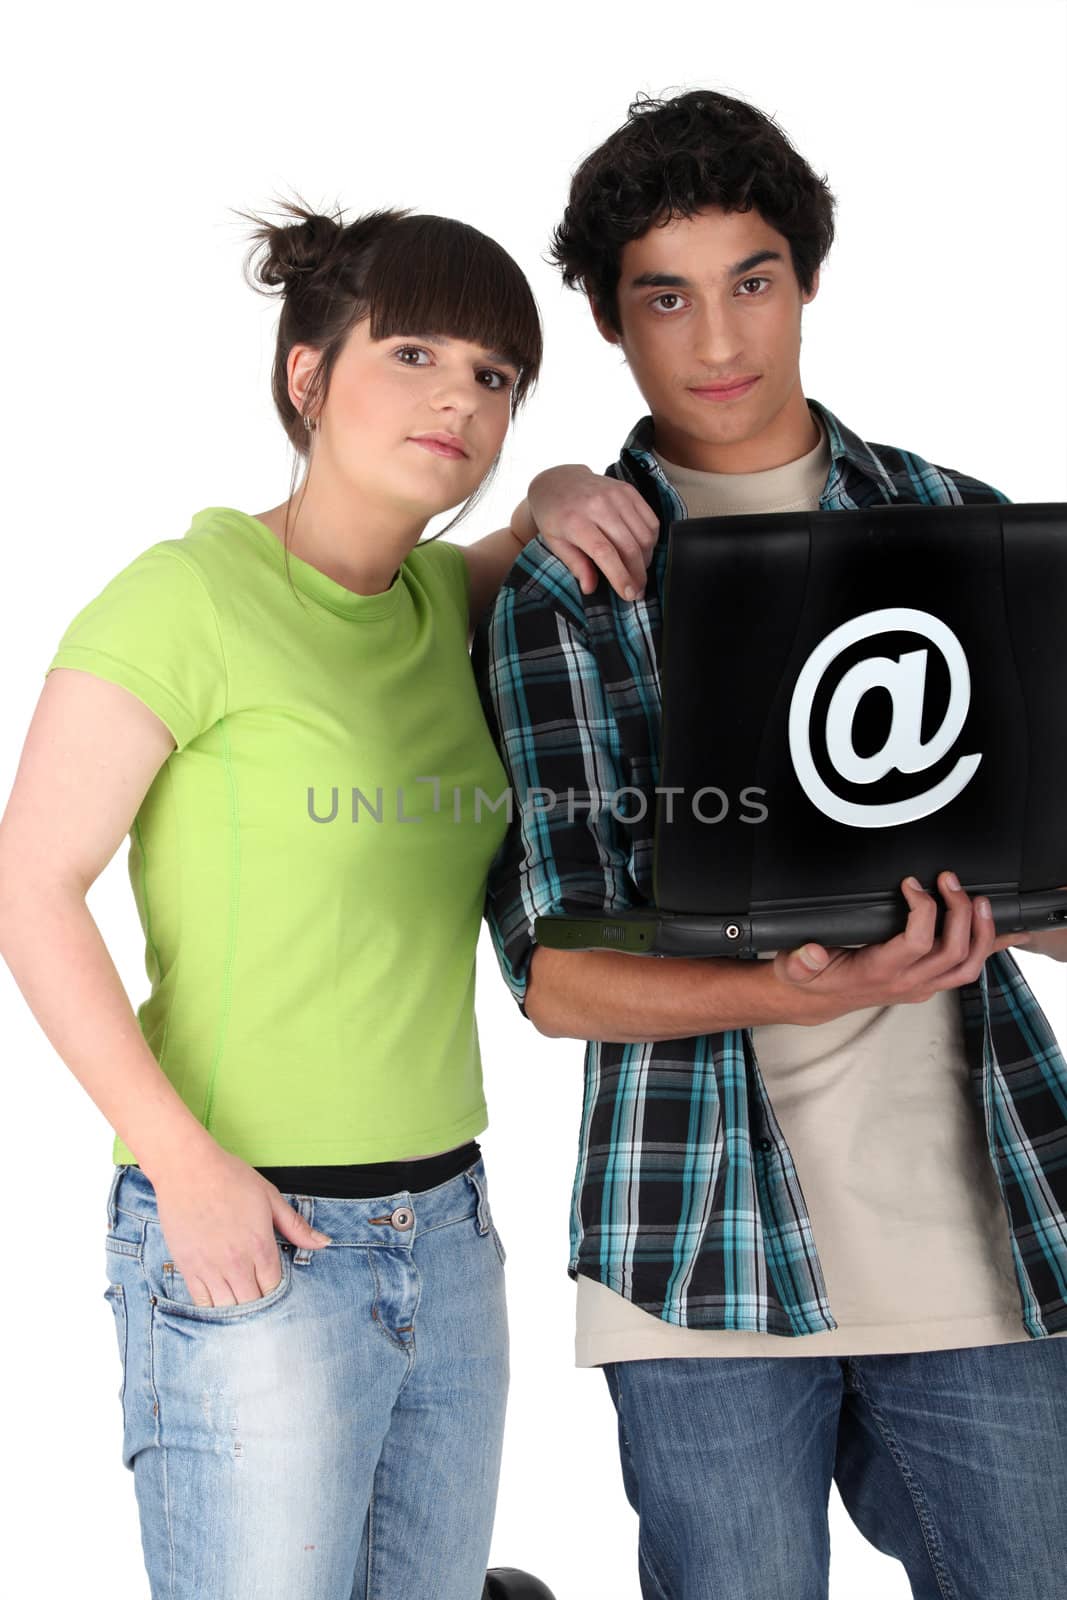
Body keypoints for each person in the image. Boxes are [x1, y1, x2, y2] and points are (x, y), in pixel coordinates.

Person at [0, 201, 655, 1600]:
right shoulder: (183, 601)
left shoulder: (431, 602)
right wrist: (179, 1163)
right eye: (413, 353)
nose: (458, 402)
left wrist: (552, 488)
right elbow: (31, 886)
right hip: (252, 1236)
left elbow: (513, 545)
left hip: (452, 1229)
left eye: (492, 377)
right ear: (308, 371)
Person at [473, 89, 1067, 1599]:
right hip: (695, 1255)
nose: (718, 339)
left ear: (804, 282)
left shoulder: (961, 530)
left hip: (983, 1238)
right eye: (665, 298)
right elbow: (560, 975)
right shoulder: (569, 592)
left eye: (751, 281)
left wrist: (1014, 908)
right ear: (613, 324)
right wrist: (804, 988)